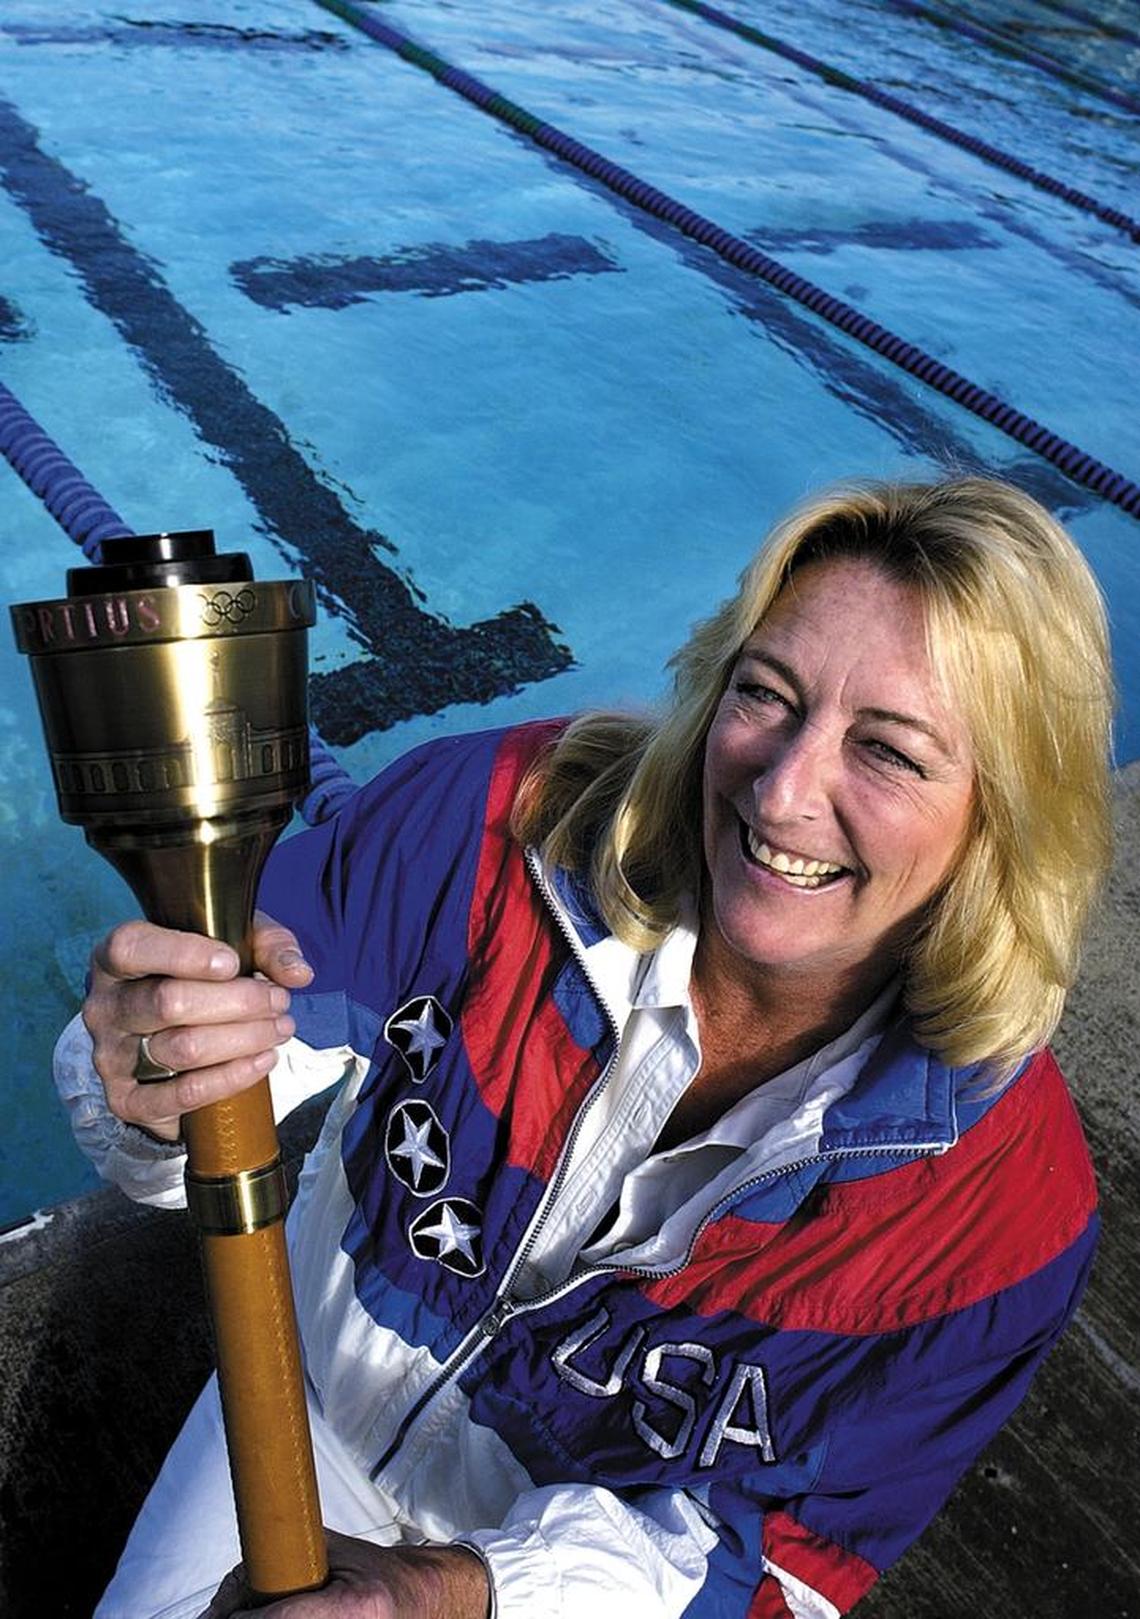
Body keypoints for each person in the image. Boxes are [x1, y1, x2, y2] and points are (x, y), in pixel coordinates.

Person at [56, 476, 1114, 1619]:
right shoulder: (498, 823)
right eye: (766, 693)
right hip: (292, 1408)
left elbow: (779, 1569)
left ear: (1004, 814)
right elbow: (203, 1084)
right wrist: (156, 1073)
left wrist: (455, 1589)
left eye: (890, 751)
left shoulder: (1004, 1218)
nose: (784, 787)